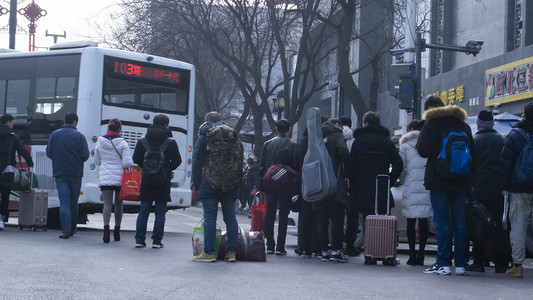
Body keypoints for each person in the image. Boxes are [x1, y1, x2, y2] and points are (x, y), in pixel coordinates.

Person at [417, 97, 474, 276]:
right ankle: (461, 265)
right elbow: (471, 150)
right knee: (460, 223)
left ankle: (443, 263)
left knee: (441, 222)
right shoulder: (463, 125)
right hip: (461, 179)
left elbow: (423, 150)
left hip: (438, 179)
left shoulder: (431, 125)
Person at [191, 112, 241, 262]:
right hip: (230, 183)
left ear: (206, 121)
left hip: (209, 182)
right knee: (230, 217)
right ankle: (231, 252)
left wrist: (197, 183)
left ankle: (209, 252)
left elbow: (197, 161)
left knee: (210, 217)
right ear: (221, 120)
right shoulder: (232, 136)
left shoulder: (203, 136)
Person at [133, 114, 181, 249]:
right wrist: (166, 169)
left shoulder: (143, 140)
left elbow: (136, 158)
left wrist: (148, 168)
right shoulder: (170, 142)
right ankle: (156, 241)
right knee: (160, 212)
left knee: (144, 210)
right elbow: (178, 161)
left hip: (147, 180)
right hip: (162, 181)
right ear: (166, 125)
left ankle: (139, 239)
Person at [349, 111, 403, 233]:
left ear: (365, 123)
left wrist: (353, 188)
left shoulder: (358, 142)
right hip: (382, 189)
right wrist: (388, 180)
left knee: (367, 223)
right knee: (383, 224)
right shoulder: (387, 142)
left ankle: (369, 249)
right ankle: (382, 249)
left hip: (362, 190)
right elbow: (398, 165)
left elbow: (352, 167)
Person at [466, 110, 506, 273]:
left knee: (479, 225)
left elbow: (470, 166)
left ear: (478, 125)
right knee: (499, 227)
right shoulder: (501, 140)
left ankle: (478, 261)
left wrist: (472, 184)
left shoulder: (474, 141)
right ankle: (500, 264)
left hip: (479, 189)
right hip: (498, 190)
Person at [500, 102, 533, 278]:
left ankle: (517, 266)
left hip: (518, 187)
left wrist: (504, 187)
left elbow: (505, 164)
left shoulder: (515, 135)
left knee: (519, 226)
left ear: (524, 115)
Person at [312, 118, 351, 262]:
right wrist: (347, 171)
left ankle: (323, 251)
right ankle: (336, 250)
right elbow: (343, 151)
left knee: (322, 220)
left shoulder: (316, 135)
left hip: (318, 182)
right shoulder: (337, 134)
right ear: (336, 125)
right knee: (337, 219)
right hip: (335, 182)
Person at [258, 119, 299, 255]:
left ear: (276, 129)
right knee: (283, 215)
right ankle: (280, 246)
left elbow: (262, 165)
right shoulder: (293, 145)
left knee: (270, 214)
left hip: (270, 182)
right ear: (290, 129)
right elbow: (295, 166)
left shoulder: (268, 144)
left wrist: (260, 185)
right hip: (285, 184)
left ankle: (269, 244)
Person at [46, 112, 90, 239]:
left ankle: (65, 231)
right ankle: (73, 228)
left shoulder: (55, 135)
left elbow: (49, 153)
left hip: (60, 172)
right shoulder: (80, 136)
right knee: (74, 202)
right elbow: (85, 155)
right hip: (76, 173)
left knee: (64, 201)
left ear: (64, 121)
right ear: (75, 122)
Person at [94, 118, 133, 243]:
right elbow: (127, 163)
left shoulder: (100, 141)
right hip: (119, 178)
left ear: (108, 128)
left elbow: (97, 161)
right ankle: (117, 231)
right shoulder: (123, 143)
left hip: (105, 177)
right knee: (119, 204)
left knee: (107, 204)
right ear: (119, 129)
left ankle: (106, 231)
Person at [399, 119, 431, 266]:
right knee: (424, 221)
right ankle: (422, 254)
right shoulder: (428, 144)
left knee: (410, 221)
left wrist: (404, 180)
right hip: (425, 185)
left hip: (410, 186)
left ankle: (412, 254)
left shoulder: (404, 146)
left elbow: (401, 168)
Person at [0, 114, 34, 230]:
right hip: (7, 171)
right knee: (5, 194)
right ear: (8, 123)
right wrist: (30, 162)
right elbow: (23, 151)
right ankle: (2, 219)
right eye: (12, 123)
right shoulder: (13, 137)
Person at [340, 116, 360, 257]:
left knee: (337, 216)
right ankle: (350, 244)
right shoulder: (355, 142)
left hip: (337, 181)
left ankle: (337, 244)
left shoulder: (333, 139)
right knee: (352, 216)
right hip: (353, 182)